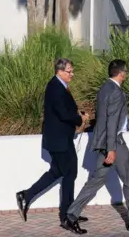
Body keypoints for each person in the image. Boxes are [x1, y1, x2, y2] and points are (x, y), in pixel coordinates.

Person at [62, 59, 129, 233]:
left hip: (104, 141)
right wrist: (111, 148)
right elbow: (112, 122)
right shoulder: (116, 93)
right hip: (115, 143)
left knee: (96, 180)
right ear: (121, 73)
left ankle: (70, 215)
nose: (126, 75)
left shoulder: (104, 88)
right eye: (125, 72)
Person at [17, 57, 87, 226]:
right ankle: (67, 216)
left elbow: (65, 109)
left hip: (61, 139)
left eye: (72, 70)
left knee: (57, 172)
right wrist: (80, 119)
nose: (72, 74)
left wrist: (79, 114)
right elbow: (63, 113)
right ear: (60, 71)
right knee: (70, 174)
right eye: (69, 71)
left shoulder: (59, 86)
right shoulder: (55, 88)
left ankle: (25, 196)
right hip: (59, 141)